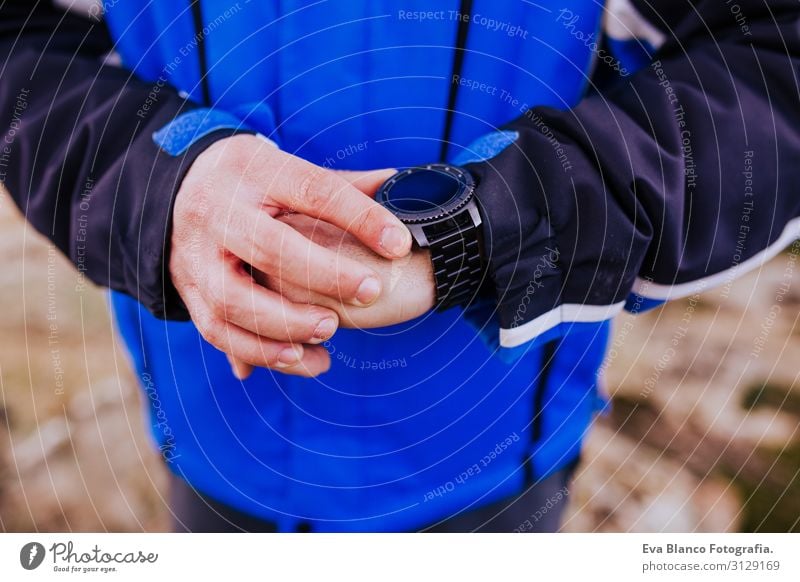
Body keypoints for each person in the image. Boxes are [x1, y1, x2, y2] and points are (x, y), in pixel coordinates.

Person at [1, 0, 798, 532]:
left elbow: (773, 58)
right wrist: (164, 185)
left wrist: (480, 229)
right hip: (209, 435)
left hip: (493, 466)